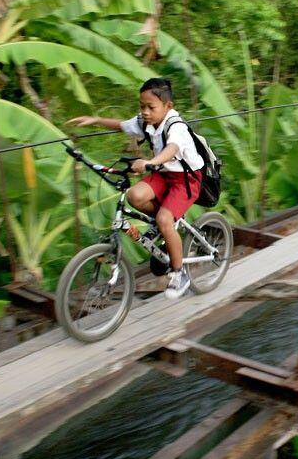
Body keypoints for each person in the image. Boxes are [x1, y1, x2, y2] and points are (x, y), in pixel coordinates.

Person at [68, 78, 204, 300]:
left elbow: (172, 149)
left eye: (151, 107)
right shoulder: (145, 122)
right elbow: (121, 125)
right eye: (142, 106)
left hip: (186, 179)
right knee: (134, 195)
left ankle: (179, 273)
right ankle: (165, 222)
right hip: (163, 174)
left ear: (168, 107)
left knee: (163, 219)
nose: (145, 112)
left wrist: (150, 163)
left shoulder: (176, 126)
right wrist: (95, 120)